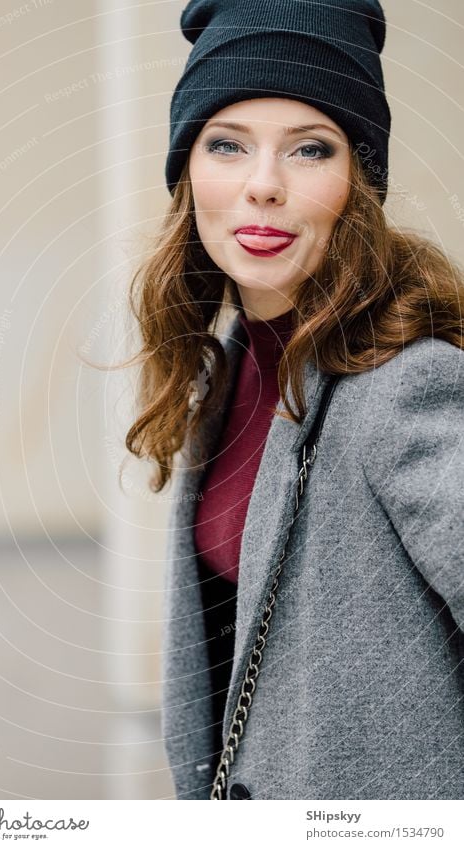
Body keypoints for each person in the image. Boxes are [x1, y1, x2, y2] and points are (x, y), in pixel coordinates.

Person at [124, 0, 464, 800]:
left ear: (357, 182)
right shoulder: (230, 371)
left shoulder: (405, 384)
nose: (263, 186)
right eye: (227, 145)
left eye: (310, 149)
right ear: (186, 171)